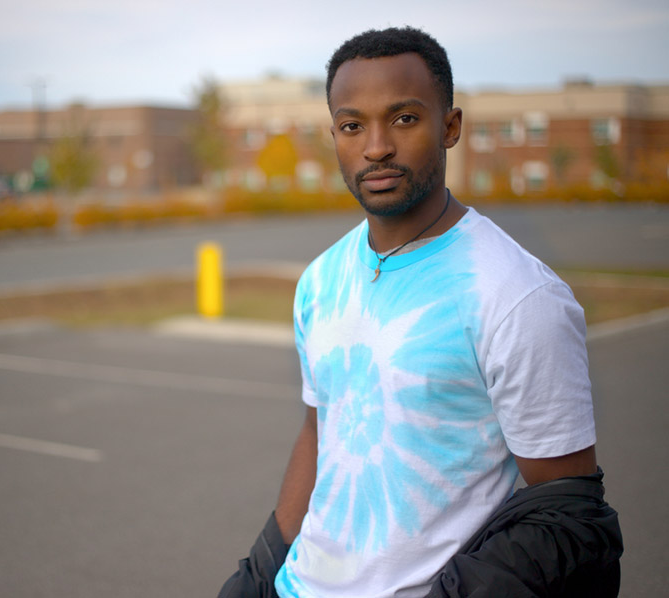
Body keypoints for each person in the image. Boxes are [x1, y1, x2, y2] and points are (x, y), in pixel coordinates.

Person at [218, 27, 622, 597]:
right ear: (334, 134)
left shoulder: (516, 295)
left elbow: (565, 517)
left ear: (450, 127)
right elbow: (320, 428)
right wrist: (260, 571)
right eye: (353, 125)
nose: (376, 146)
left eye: (404, 119)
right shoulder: (319, 279)